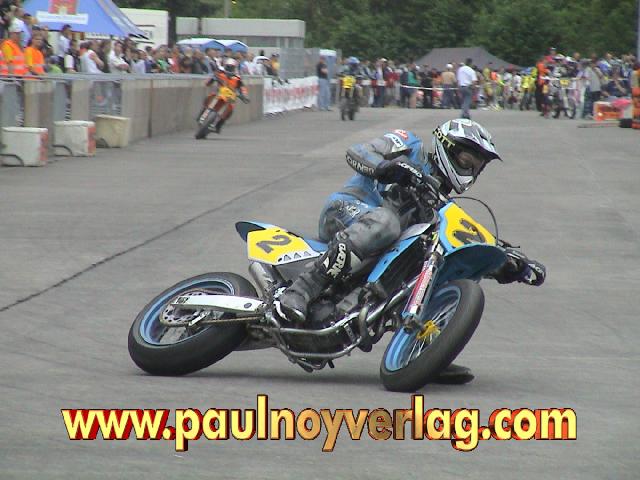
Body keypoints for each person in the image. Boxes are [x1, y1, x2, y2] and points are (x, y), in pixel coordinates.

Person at [278, 120, 546, 327]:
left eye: (477, 167)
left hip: (383, 244)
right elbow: (358, 152)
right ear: (448, 148)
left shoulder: (442, 203)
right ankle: (301, 290)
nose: (471, 171)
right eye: (467, 161)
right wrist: (387, 167)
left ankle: (428, 347)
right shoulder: (410, 144)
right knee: (387, 222)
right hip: (347, 208)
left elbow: (463, 239)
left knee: (434, 256)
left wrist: (506, 261)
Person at [204, 58, 249, 134]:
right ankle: (203, 112)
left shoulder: (237, 78)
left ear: (234, 68)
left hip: (229, 98)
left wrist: (244, 95)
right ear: (225, 66)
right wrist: (211, 80)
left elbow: (242, 88)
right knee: (209, 98)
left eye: (231, 67)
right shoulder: (220, 73)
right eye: (228, 67)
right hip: (219, 93)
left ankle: (218, 126)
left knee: (229, 111)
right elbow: (212, 78)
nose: (229, 69)